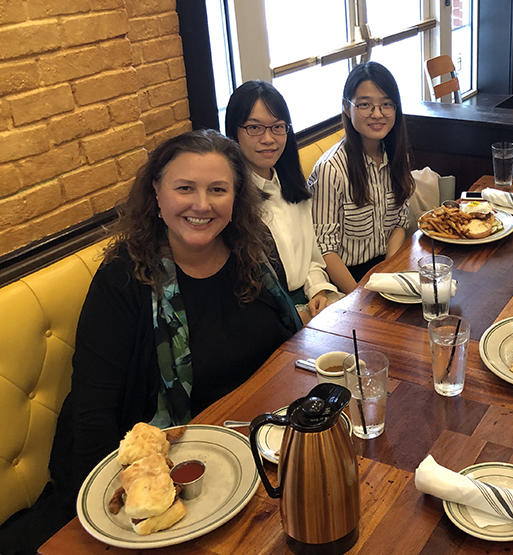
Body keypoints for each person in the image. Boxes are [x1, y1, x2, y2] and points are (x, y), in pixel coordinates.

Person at [2, 130, 301, 553]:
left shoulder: (254, 249)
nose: (202, 204)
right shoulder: (123, 280)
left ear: (237, 197)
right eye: (185, 188)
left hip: (257, 450)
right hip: (161, 476)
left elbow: (288, 347)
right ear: (157, 194)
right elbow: (92, 413)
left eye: (218, 189)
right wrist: (122, 508)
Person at [225, 80, 340, 322]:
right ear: (234, 132)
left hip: (308, 306)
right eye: (254, 128)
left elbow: (311, 258)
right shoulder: (229, 201)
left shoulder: (292, 188)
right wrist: (298, 315)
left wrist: (318, 290)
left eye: (277, 127)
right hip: (267, 319)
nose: (268, 138)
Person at [308, 61, 415, 293]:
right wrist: (360, 296)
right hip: (346, 279)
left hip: (385, 268)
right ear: (347, 108)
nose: (377, 114)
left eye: (386, 104)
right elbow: (325, 250)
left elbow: (399, 222)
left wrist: (388, 273)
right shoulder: (331, 170)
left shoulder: (396, 155)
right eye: (365, 105)